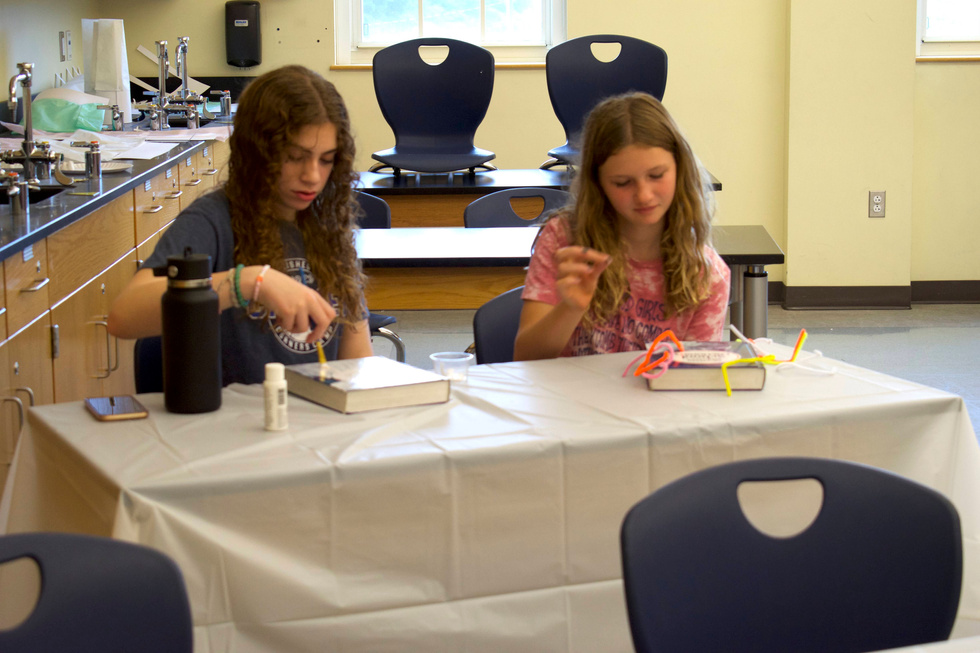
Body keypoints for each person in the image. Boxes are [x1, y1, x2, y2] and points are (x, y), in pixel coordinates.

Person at [108, 65, 373, 385]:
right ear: (257, 152)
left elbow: (357, 364)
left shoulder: (327, 222)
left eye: (326, 159)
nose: (312, 176)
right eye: (294, 156)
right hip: (234, 427)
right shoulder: (213, 221)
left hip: (311, 422)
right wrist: (245, 283)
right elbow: (123, 317)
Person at [514, 92, 730, 360]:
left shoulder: (706, 273)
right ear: (598, 184)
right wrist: (570, 308)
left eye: (656, 175)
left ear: (679, 168)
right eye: (622, 182)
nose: (644, 195)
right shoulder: (564, 240)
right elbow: (525, 359)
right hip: (569, 399)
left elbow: (693, 380)